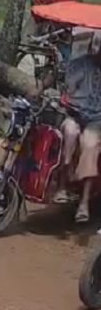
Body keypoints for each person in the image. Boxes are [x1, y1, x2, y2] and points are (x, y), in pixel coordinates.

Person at [58, 47, 101, 222]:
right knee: (69, 132)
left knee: (90, 145)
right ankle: (63, 185)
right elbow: (68, 87)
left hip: (97, 120)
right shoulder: (80, 63)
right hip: (75, 114)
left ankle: (84, 202)